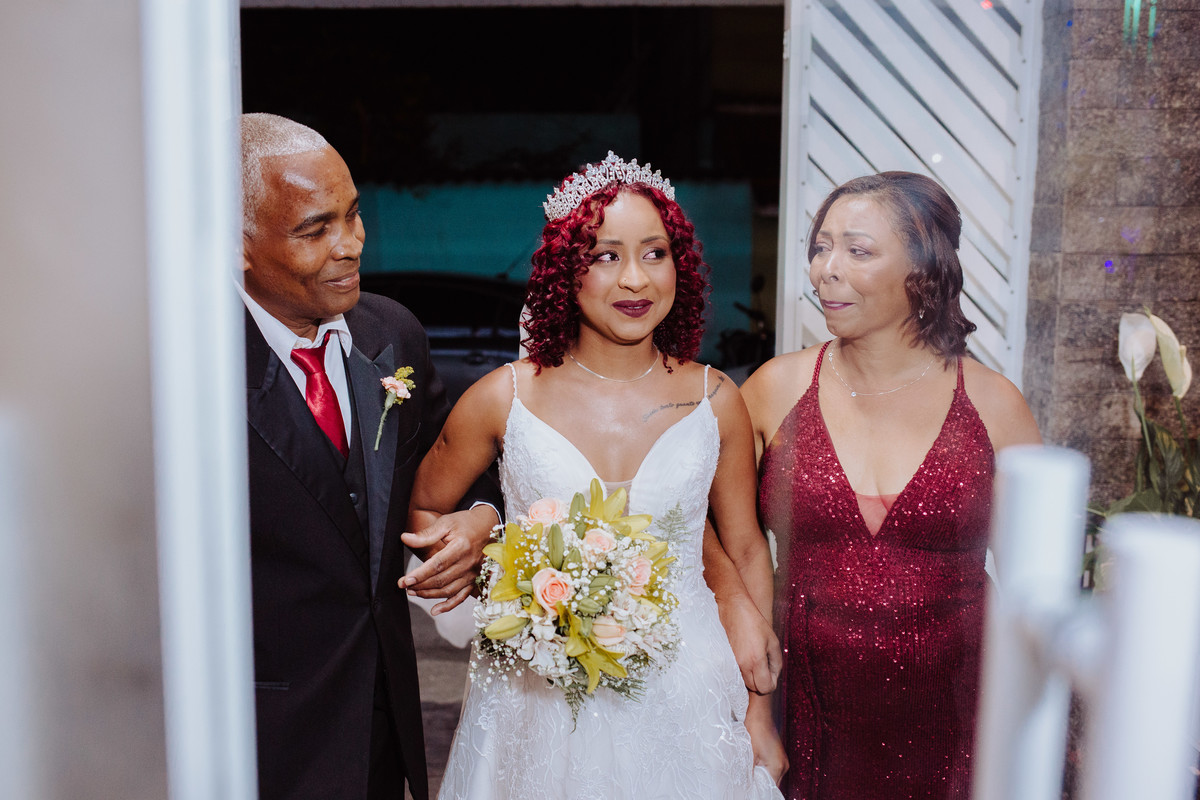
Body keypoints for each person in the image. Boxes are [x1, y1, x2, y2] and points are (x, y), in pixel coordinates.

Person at [407, 152, 786, 798]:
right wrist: (499, 569)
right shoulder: (506, 399)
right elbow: (421, 513)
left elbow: (746, 547)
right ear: (565, 270)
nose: (635, 279)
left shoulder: (715, 400)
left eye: (655, 253)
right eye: (606, 255)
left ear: (680, 265)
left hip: (687, 692)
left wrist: (758, 712)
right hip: (539, 700)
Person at [743, 172, 1042, 799]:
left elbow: (1035, 587)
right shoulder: (774, 390)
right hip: (807, 712)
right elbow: (721, 545)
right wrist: (752, 707)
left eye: (858, 249)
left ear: (925, 268)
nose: (826, 268)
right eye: (821, 246)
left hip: (960, 713)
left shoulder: (994, 405)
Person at [239, 112, 499, 800]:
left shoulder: (393, 334)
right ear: (234, 244)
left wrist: (480, 519)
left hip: (382, 733)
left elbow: (438, 486)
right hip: (258, 740)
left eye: (353, 216)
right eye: (314, 230)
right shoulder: (185, 374)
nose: (350, 245)